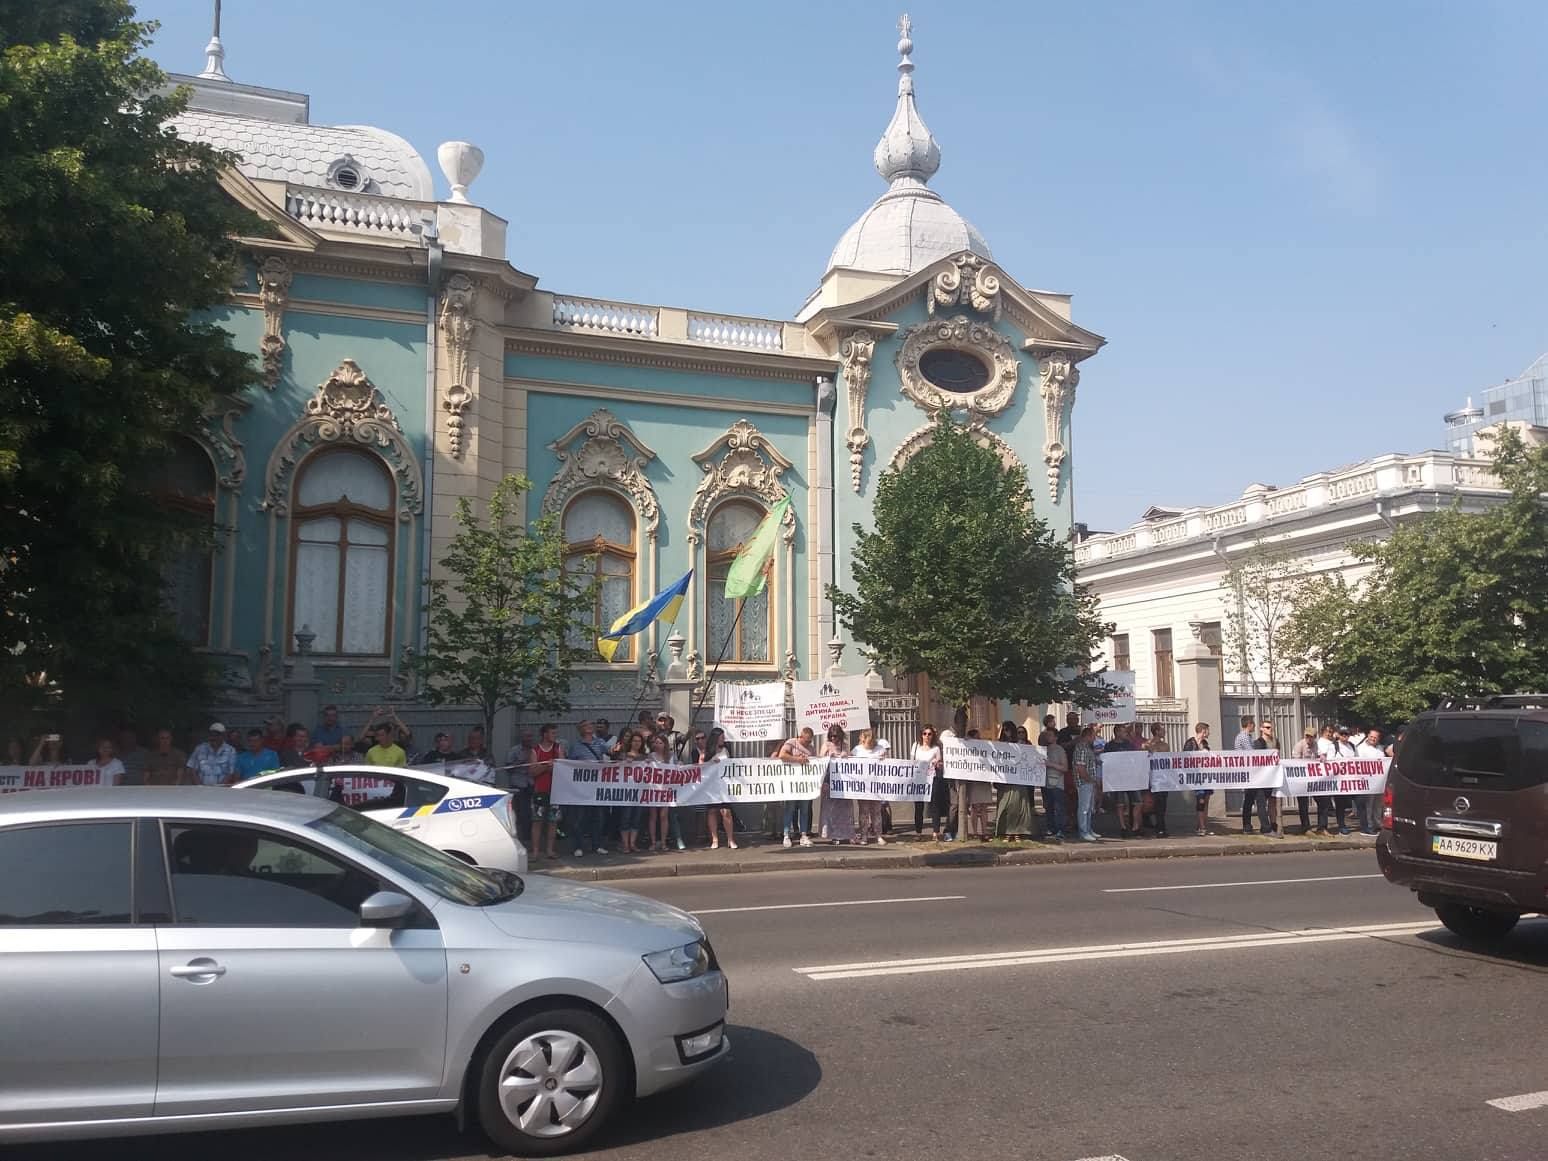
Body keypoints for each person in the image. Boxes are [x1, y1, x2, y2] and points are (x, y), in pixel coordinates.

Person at [569, 720, 613, 856]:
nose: (589, 727)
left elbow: (611, 752)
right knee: (580, 818)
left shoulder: (600, 743)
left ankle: (597, 845)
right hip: (581, 788)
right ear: (580, 729)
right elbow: (569, 764)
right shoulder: (576, 746)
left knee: (598, 817)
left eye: (590, 725)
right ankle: (579, 846)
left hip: (596, 787)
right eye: (586, 726)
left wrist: (616, 749)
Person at [646, 731, 686, 852]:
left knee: (664, 816)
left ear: (665, 744)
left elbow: (677, 767)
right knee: (653, 816)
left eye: (660, 742)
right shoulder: (651, 756)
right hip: (653, 789)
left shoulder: (671, 756)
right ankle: (653, 842)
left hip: (666, 790)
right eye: (656, 742)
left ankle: (663, 842)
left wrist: (679, 764)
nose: (658, 745)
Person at [993, 720, 1032, 843]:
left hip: (1018, 780)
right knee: (1006, 806)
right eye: (1005, 730)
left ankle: (1018, 832)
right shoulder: (999, 745)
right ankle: (1006, 832)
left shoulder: (1020, 744)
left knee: (1018, 806)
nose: (1007, 732)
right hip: (1005, 780)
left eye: (1009, 729)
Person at [779, 726, 818, 847]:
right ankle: (786, 835)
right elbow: (782, 755)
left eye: (810, 741)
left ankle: (803, 835)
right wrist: (797, 759)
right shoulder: (791, 742)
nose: (808, 743)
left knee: (805, 810)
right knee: (790, 809)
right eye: (806, 740)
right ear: (800, 736)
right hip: (791, 783)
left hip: (805, 785)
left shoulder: (811, 749)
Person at [529, 723, 563, 860]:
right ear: (545, 734)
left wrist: (551, 766)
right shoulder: (535, 751)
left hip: (555, 791)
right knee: (537, 821)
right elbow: (532, 771)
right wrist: (545, 767)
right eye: (552, 733)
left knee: (553, 822)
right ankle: (535, 851)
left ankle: (550, 850)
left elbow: (562, 768)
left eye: (555, 733)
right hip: (539, 790)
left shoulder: (558, 748)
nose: (555, 735)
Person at [701, 728, 738, 850]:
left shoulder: (726, 750)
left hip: (724, 786)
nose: (723, 739)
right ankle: (715, 839)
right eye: (721, 737)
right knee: (712, 812)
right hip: (711, 787)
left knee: (726, 811)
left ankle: (730, 839)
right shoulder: (706, 752)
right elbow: (699, 768)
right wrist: (711, 762)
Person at [1103, 723, 1142, 838]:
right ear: (1117, 733)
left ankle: (1135, 826)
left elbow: (1135, 757)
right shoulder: (1109, 746)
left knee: (1138, 802)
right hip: (1117, 779)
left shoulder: (1129, 744)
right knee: (1120, 804)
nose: (1126, 734)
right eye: (1124, 732)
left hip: (1130, 777)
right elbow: (1107, 761)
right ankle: (1123, 827)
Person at [851, 728, 888, 845]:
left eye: (871, 740)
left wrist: (884, 758)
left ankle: (878, 835)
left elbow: (887, 765)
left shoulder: (880, 749)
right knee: (864, 812)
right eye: (867, 740)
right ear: (863, 739)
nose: (869, 743)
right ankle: (864, 835)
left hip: (876, 786)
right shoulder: (856, 750)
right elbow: (850, 765)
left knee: (877, 812)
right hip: (862, 787)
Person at [615, 730, 648, 854]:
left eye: (639, 741)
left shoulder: (645, 757)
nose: (637, 743)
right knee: (626, 817)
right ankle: (625, 844)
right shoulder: (623, 755)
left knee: (636, 818)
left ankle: (632, 843)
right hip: (626, 792)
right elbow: (615, 768)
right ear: (630, 742)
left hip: (640, 792)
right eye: (634, 740)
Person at [912, 725, 947, 840]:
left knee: (934, 806)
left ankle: (935, 833)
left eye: (929, 734)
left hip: (933, 779)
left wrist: (938, 764)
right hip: (919, 779)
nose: (927, 736)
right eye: (924, 734)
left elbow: (940, 764)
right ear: (921, 735)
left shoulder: (936, 749)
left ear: (933, 736)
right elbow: (911, 762)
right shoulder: (915, 746)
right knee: (918, 807)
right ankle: (918, 832)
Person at [1251, 721, 1283, 837]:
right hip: (1261, 778)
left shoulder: (1275, 741)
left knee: (1272, 802)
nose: (1270, 730)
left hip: (1272, 777)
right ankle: (1265, 828)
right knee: (1261, 802)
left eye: (1271, 728)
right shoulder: (1258, 743)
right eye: (1267, 727)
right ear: (1261, 729)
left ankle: (1273, 825)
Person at [503, 729, 535, 839]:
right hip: (518, 784)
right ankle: (520, 835)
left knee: (532, 811)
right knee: (520, 811)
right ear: (521, 738)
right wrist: (521, 761)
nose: (529, 739)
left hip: (532, 783)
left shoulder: (535, 750)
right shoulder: (514, 751)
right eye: (526, 736)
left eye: (530, 736)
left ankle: (530, 835)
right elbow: (508, 768)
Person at [1072, 725, 1100, 842]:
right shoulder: (1081, 748)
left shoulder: (1087, 748)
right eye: (1093, 736)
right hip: (1084, 782)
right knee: (1084, 808)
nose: (1095, 738)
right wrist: (1089, 779)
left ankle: (1088, 829)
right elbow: (1080, 767)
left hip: (1089, 781)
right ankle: (1083, 831)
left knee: (1089, 807)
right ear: (1088, 736)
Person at [1184, 721, 1212, 836]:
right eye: (1207, 730)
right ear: (1203, 731)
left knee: (1206, 801)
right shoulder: (1190, 743)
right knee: (1200, 800)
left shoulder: (1205, 743)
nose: (1209, 733)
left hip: (1206, 776)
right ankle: (1202, 827)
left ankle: (1202, 824)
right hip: (1196, 777)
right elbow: (1184, 758)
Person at [1141, 722, 1170, 837]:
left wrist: (1153, 749)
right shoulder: (1146, 744)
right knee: (1151, 803)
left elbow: (1165, 757)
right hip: (1151, 778)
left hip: (1162, 778)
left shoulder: (1165, 745)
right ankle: (1154, 826)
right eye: (1162, 729)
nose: (1165, 732)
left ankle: (1161, 826)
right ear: (1157, 731)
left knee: (1162, 804)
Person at [1355, 728, 1385, 835]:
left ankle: (1378, 823)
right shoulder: (1360, 748)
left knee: (1378, 804)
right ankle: (1369, 825)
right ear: (1368, 736)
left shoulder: (1381, 748)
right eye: (1371, 736)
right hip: (1367, 781)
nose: (1373, 739)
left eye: (1375, 737)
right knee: (1369, 805)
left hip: (1379, 781)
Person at [1290, 726, 1319, 834]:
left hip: (1313, 778)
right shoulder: (1299, 745)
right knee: (1303, 803)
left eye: (1311, 736)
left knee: (1322, 800)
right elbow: (1295, 761)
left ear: (1314, 737)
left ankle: (1322, 827)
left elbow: (1317, 756)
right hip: (1302, 779)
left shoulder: (1316, 745)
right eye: (1307, 736)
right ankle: (1305, 827)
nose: (1308, 738)